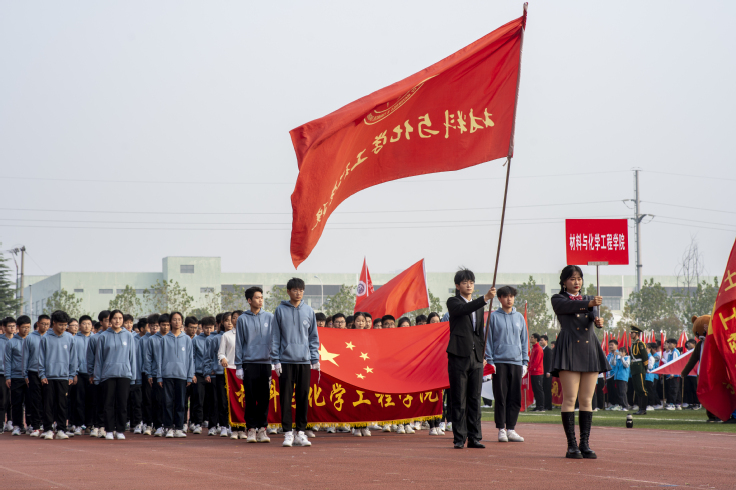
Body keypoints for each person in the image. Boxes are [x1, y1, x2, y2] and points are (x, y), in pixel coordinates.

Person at [549, 265, 610, 459]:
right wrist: (590, 304)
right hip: (569, 348)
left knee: (586, 400)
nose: (576, 282)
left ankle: (584, 444)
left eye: (579, 278)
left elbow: (592, 316)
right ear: (564, 281)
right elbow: (568, 307)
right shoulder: (558, 299)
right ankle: (571, 445)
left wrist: (598, 321)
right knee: (569, 398)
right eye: (572, 278)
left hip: (589, 348)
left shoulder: (589, 299)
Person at [447, 268, 495, 449]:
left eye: (471, 282)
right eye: (465, 282)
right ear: (457, 285)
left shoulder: (479, 306)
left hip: (476, 357)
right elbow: (464, 309)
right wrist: (485, 298)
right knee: (459, 398)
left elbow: (479, 333)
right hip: (459, 355)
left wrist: (482, 355)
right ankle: (459, 438)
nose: (469, 285)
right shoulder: (453, 302)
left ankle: (475, 437)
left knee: (475, 398)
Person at [271, 277, 319, 448]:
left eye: (301, 290)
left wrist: (315, 358)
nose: (298, 293)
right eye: (295, 290)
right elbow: (275, 337)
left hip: (304, 361)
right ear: (288, 291)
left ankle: (300, 432)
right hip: (285, 361)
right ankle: (287, 433)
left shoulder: (309, 311)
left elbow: (313, 337)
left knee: (303, 397)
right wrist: (275, 360)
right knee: (285, 398)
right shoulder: (280, 310)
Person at [485, 285, 528, 443]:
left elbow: (524, 340)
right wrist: (490, 361)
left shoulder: (519, 318)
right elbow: (488, 340)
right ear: (500, 298)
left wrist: (525, 362)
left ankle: (511, 428)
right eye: (506, 296)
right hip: (499, 362)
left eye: (511, 296)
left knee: (514, 397)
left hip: (516, 362)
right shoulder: (493, 317)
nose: (509, 299)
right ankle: (501, 429)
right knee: (501, 396)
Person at [235, 286, 273, 443]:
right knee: (250, 397)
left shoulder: (270, 317)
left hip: (266, 363)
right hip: (249, 363)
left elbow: (275, 340)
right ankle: (251, 429)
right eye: (257, 297)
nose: (260, 300)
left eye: (262, 297)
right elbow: (239, 343)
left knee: (264, 398)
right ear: (249, 300)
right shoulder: (242, 319)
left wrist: (275, 360)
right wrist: (238, 366)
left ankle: (262, 429)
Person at [95, 310, 137, 440]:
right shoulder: (103, 336)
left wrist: (133, 376)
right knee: (108, 404)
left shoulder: (128, 336)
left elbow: (132, 357)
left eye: (120, 318)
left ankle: (120, 430)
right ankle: (109, 430)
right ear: (110, 320)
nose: (117, 321)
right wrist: (97, 377)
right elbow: (99, 359)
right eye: (115, 318)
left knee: (122, 404)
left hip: (124, 374)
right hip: (108, 375)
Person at [38, 310, 77, 440]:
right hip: (48, 377)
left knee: (62, 404)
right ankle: (48, 429)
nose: (63, 327)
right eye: (60, 325)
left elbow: (73, 358)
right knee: (48, 404)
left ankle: (61, 429)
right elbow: (41, 358)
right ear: (53, 323)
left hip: (64, 377)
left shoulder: (70, 338)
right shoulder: (45, 338)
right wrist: (42, 374)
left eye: (65, 325)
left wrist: (71, 375)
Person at [157, 311, 194, 438]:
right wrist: (159, 376)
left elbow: (190, 359)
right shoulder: (164, 339)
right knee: (167, 402)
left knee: (181, 403)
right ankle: (168, 427)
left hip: (182, 375)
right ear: (170, 322)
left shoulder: (187, 339)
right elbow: (160, 359)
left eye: (179, 319)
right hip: (167, 375)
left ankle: (179, 427)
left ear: (182, 322)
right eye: (174, 319)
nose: (177, 322)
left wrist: (190, 375)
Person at [23, 314, 50, 437]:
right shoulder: (30, 338)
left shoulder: (50, 337)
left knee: (47, 399)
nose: (45, 326)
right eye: (43, 324)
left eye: (47, 324)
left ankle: (46, 424)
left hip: (48, 373)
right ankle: (35, 426)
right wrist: (25, 374)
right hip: (33, 372)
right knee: (35, 399)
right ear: (38, 324)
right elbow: (25, 357)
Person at [218, 310, 241, 440]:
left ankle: (241, 427)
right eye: (234, 318)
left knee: (242, 401)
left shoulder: (249, 334)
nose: (236, 320)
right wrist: (223, 358)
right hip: (230, 372)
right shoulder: (226, 335)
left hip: (244, 372)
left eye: (239, 318)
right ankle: (227, 426)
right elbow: (221, 353)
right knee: (226, 400)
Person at [88, 310, 110, 438]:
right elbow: (91, 358)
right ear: (101, 322)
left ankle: (106, 426)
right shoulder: (94, 338)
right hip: (98, 374)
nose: (110, 323)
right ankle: (96, 426)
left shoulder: (117, 336)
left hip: (111, 374)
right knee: (98, 401)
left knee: (109, 402)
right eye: (107, 320)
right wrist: (91, 373)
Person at [6, 316, 30, 436]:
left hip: (30, 376)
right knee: (17, 402)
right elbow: (8, 360)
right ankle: (17, 425)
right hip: (16, 376)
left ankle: (30, 425)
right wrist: (8, 376)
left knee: (30, 402)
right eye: (24, 327)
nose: (26, 330)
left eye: (28, 327)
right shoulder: (11, 342)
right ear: (18, 327)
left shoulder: (31, 340)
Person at [147, 313, 170, 436]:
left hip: (171, 374)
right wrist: (149, 374)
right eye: (163, 325)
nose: (165, 327)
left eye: (167, 325)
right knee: (158, 401)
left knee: (170, 401)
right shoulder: (152, 339)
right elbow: (148, 358)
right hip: (156, 374)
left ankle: (169, 425)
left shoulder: (173, 338)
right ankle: (158, 426)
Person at [191, 316, 213, 435]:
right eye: (206, 328)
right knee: (198, 399)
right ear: (202, 327)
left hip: (213, 373)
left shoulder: (216, 338)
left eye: (211, 327)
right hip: (199, 373)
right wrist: (192, 373)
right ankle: (197, 423)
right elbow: (192, 358)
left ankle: (212, 423)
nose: (209, 330)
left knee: (212, 399)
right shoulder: (196, 340)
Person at [206, 314, 226, 436]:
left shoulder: (237, 336)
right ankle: (213, 425)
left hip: (232, 374)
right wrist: (208, 371)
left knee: (227, 401)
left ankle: (227, 425)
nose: (230, 323)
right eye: (227, 320)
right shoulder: (214, 339)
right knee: (215, 401)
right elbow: (208, 357)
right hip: (216, 373)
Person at [139, 315, 155, 435]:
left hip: (160, 374)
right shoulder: (143, 340)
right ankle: (147, 423)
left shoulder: (163, 339)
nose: (155, 328)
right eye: (152, 326)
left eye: (157, 325)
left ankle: (159, 424)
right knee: (147, 399)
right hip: (146, 373)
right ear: (148, 326)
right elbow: (140, 358)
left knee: (160, 400)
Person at [629, 326, 649, 415]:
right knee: (637, 388)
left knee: (642, 388)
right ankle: (640, 408)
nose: (631, 334)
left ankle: (643, 409)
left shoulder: (640, 343)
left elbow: (644, 356)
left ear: (637, 334)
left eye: (632, 333)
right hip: (634, 367)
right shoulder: (633, 344)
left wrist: (645, 367)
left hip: (639, 367)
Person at [0, 317, 15, 433]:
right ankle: (1, 423)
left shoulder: (18, 340)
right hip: (2, 373)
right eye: (9, 326)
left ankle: (11, 421)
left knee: (13, 399)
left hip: (16, 373)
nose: (12, 328)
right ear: (3, 327)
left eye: (13, 326)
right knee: (3, 399)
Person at [662, 339, 681, 410]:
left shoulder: (675, 352)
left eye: (670, 343)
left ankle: (672, 404)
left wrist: (672, 373)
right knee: (675, 389)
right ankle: (677, 404)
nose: (669, 345)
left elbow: (675, 364)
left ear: (675, 345)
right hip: (672, 373)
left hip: (675, 374)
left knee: (674, 389)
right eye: (668, 343)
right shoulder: (671, 352)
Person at [529, 333, 545, 412]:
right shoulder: (534, 348)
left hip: (538, 372)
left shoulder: (538, 348)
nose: (530, 338)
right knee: (535, 390)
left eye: (532, 337)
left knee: (539, 390)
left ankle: (541, 406)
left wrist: (529, 369)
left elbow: (536, 362)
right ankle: (537, 406)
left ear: (536, 339)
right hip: (533, 372)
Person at [683, 339, 699, 409]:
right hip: (688, 373)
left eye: (689, 343)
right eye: (687, 344)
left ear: (694, 344)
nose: (688, 345)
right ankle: (690, 403)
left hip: (695, 374)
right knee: (688, 389)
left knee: (695, 389)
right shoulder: (687, 353)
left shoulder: (697, 351)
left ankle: (697, 403)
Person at [540, 335, 553, 410]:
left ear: (546, 341)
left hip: (547, 373)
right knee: (543, 389)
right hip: (542, 372)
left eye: (542, 340)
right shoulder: (542, 349)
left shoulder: (548, 350)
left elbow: (550, 362)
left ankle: (548, 406)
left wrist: (549, 371)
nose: (541, 342)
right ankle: (544, 404)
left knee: (547, 389)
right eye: (540, 340)